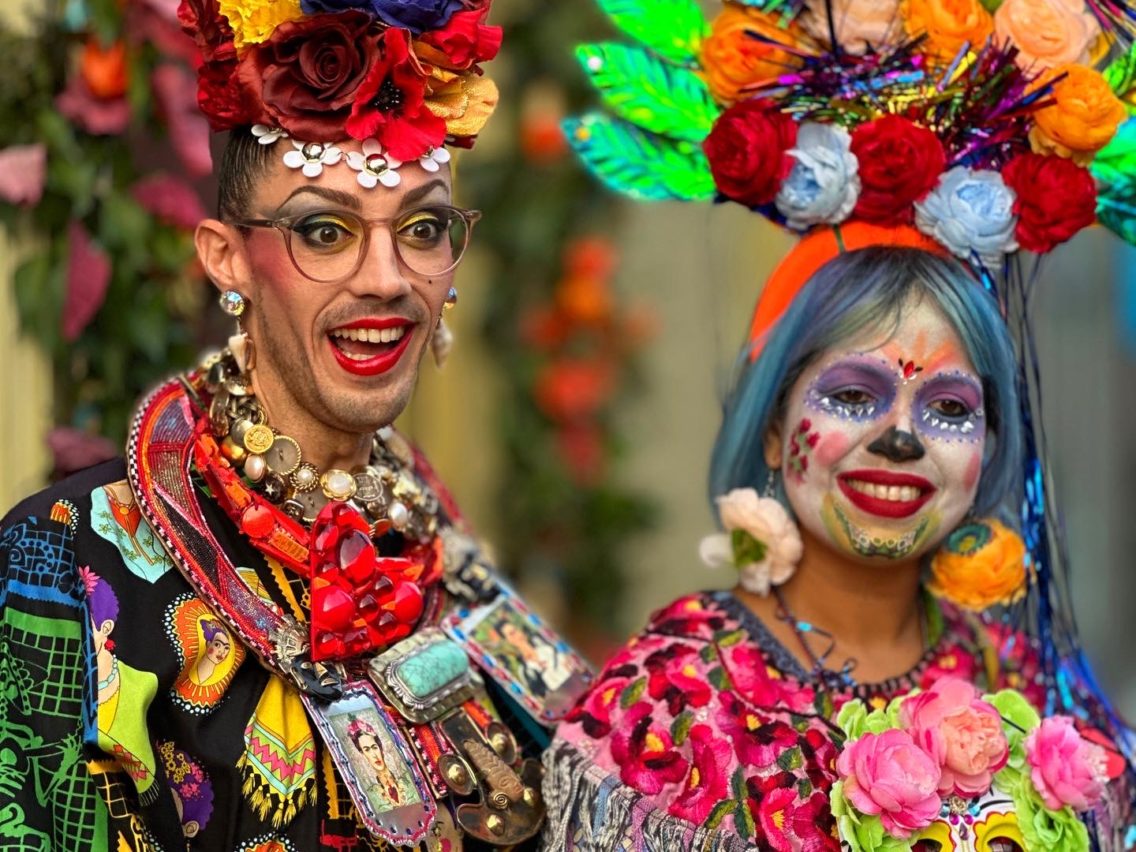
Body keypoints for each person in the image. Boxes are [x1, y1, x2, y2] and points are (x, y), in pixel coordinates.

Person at [543, 1, 1136, 849]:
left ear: (992, 444)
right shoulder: (672, 703)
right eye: (854, 396)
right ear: (773, 425)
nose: (901, 439)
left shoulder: (1028, 692)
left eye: (949, 409)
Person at [0, 1, 590, 849]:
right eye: (325, 230)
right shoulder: (67, 560)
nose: (387, 279)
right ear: (226, 259)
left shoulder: (436, 543)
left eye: (423, 228)